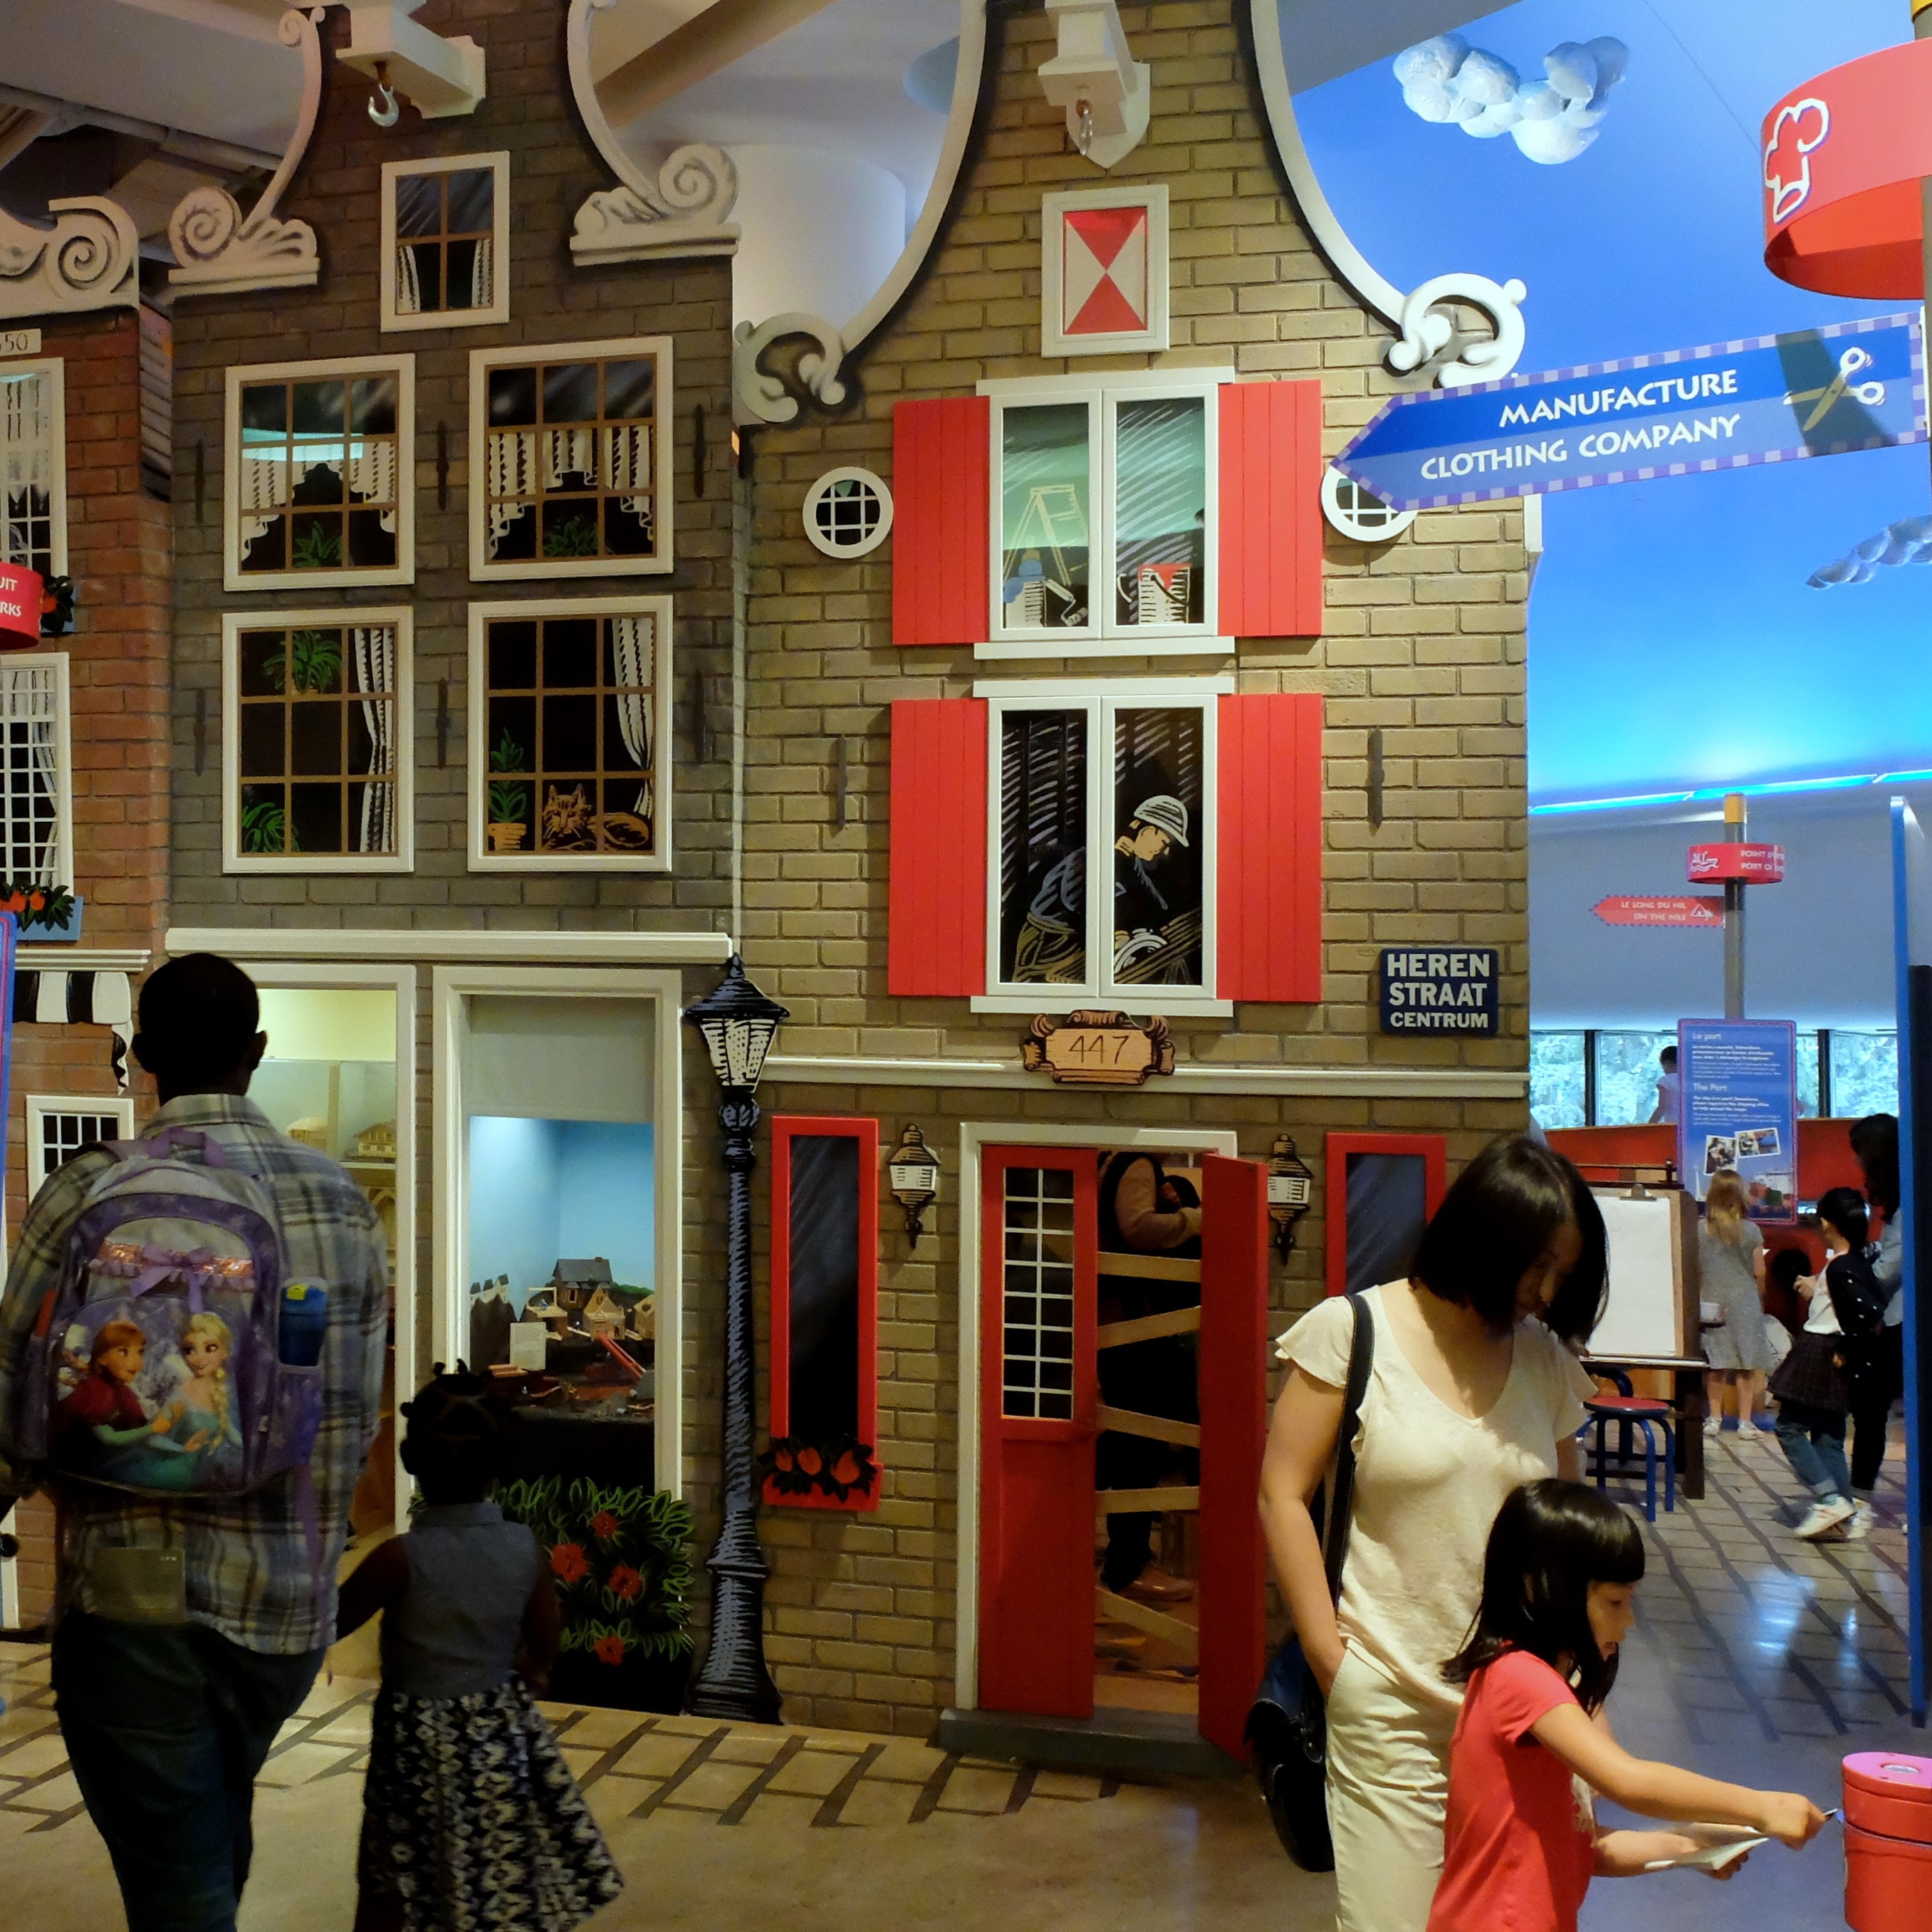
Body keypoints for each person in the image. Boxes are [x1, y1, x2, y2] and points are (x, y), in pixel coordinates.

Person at [0, 953, 389, 1932]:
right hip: (288, 1613)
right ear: (259, 1054)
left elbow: (12, 1401)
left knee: (180, 1883)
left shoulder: (88, 1191)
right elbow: (355, 1411)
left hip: (130, 1608)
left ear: (142, 1056)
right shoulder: (342, 1202)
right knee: (210, 1832)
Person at [1258, 1134, 1608, 1932]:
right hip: (1391, 1702)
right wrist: (1329, 1655)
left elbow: (1568, 1546)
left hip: (1522, 1709)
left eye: (1564, 1272)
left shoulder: (1544, 1362)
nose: (1546, 1291)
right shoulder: (1350, 1333)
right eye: (1537, 1265)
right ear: (1484, 1237)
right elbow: (1282, 1492)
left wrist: (1584, 1708)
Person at [1427, 1480, 1825, 1932]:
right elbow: (1627, 1780)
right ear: (1537, 1587)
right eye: (1614, 1601)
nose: (1628, 1620)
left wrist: (1691, 1844)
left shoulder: (1557, 1688)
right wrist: (1762, 1806)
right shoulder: (1518, 1677)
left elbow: (1584, 1848)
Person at [337, 1369, 622, 1932]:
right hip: (496, 1733)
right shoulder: (522, 1547)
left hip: (413, 1748)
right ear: (499, 1462)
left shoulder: (399, 1558)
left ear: (411, 1461)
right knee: (495, 1873)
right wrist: (525, 1670)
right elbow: (545, 1643)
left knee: (393, 1871)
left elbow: (329, 1621)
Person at [1095, 1149, 1201, 1604]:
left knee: (1131, 1445)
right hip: (1136, 1331)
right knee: (1138, 1447)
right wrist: (1198, 1219)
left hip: (1122, 1329)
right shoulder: (1136, 1164)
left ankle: (1129, 1561)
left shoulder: (1114, 1164)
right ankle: (1127, 1568)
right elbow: (1136, 1226)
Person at [1768, 1186, 1886, 1540]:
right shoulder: (1856, 1264)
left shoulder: (1840, 1268)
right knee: (1829, 1436)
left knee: (1789, 1427)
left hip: (1821, 1352)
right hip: (1833, 1354)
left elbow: (1869, 1313)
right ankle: (1843, 1509)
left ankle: (1830, 1497)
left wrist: (1846, 1346)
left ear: (1826, 1223)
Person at [1849, 1113, 1905, 1508]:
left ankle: (1860, 1495)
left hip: (1901, 1326)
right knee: (1870, 1411)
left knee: (1870, 1409)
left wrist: (1850, 1274)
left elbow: (1886, 1271)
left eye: (1860, 1154)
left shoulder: (1907, 1210)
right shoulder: (1900, 1206)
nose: (1858, 1164)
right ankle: (1859, 1493)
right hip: (1893, 1322)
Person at [1698, 1171, 1773, 1438]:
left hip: (1711, 1304)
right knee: (1746, 1365)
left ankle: (1713, 1418)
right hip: (1745, 1303)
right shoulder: (1751, 1230)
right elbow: (1759, 1271)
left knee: (1716, 1365)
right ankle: (1745, 1422)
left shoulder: (1700, 1230)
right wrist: (1760, 1300)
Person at [1647, 1045, 1679, 1125]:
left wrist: (1649, 1126)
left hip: (1673, 1125)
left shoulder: (1665, 1081)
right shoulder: (1691, 1080)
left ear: (1666, 1062)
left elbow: (1662, 1107)